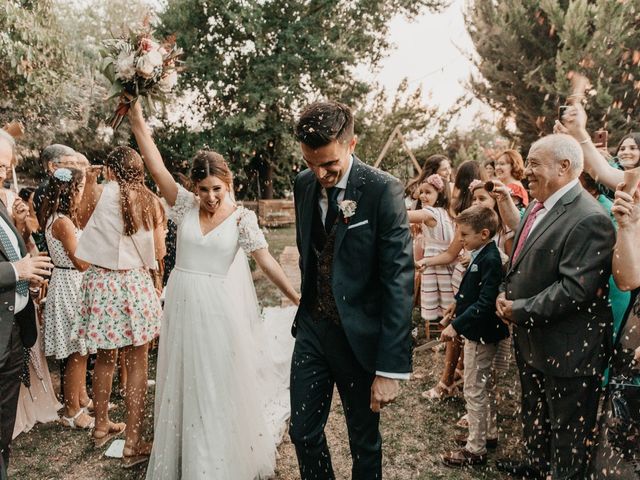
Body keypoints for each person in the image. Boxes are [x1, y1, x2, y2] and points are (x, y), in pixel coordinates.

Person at [127, 101, 300, 479]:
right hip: (182, 304)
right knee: (184, 378)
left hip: (218, 310)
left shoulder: (242, 219)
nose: (210, 197)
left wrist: (296, 298)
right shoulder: (184, 206)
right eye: (203, 189)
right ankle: (184, 454)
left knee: (213, 382)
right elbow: (156, 167)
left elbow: (266, 262)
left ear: (229, 183)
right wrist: (138, 120)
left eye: (217, 188)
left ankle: (212, 463)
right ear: (193, 186)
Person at [291, 101, 414, 479]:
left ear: (351, 144)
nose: (321, 174)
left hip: (359, 336)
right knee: (302, 432)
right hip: (313, 327)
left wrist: (391, 368)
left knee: (363, 440)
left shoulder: (383, 190)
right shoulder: (303, 184)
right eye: (312, 163)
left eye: (329, 164)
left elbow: (398, 280)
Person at [495, 134, 615, 479]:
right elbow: (519, 260)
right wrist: (506, 293)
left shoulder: (590, 218)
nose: (526, 170)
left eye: (533, 163)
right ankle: (534, 467)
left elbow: (574, 290)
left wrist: (517, 309)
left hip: (570, 349)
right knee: (534, 412)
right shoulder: (536, 204)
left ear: (564, 167)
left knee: (568, 432)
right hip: (533, 338)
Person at [72, 148, 164, 465]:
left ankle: (100, 427)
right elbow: (160, 250)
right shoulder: (150, 201)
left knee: (105, 358)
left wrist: (88, 178)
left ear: (111, 171)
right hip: (134, 284)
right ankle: (133, 443)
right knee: (137, 364)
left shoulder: (99, 194)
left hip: (100, 284)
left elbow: (79, 221)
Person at [0, 131, 53, 479]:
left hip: (14, 333)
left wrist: (27, 281)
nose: (1, 173)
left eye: (5, 166)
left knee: (3, 433)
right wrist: (16, 270)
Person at [438, 205, 509, 467]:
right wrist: (456, 305)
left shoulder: (490, 259)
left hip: (481, 334)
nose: (461, 240)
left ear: (484, 233)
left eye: (464, 235)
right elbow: (471, 291)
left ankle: (475, 448)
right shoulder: (481, 252)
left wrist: (456, 325)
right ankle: (487, 434)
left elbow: (485, 302)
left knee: (474, 389)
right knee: (485, 387)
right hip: (478, 331)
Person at [37, 167, 94, 429]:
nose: (81, 194)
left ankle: (81, 397)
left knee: (80, 348)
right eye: (80, 188)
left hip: (70, 282)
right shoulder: (62, 222)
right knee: (77, 351)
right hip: (71, 282)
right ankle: (72, 410)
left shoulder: (57, 217)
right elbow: (81, 262)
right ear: (70, 190)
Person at [407, 174, 454, 337]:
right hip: (446, 261)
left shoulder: (430, 213)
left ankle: (445, 333)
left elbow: (404, 217)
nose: (422, 196)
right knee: (448, 298)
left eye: (428, 192)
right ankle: (445, 332)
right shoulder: (445, 212)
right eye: (421, 192)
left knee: (442, 299)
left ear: (439, 194)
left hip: (437, 263)